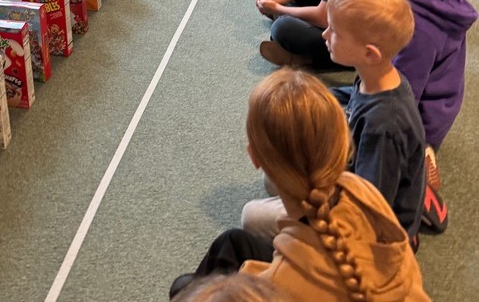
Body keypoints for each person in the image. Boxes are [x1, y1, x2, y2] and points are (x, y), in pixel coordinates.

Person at [171, 69, 431, 302]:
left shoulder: (277, 285)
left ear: (253, 157)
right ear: (343, 142)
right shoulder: (362, 190)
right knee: (232, 241)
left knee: (184, 287)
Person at [368, 0, 477, 230]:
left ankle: (418, 169)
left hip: (419, 116)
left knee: (358, 139)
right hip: (423, 100)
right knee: (335, 101)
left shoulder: (419, 28)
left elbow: (402, 95)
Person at [324, 0, 426, 243]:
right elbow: (352, 99)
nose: (325, 35)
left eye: (334, 31)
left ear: (369, 53)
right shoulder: (376, 78)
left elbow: (370, 206)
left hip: (378, 233)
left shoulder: (383, 126)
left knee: (257, 212)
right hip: (355, 170)